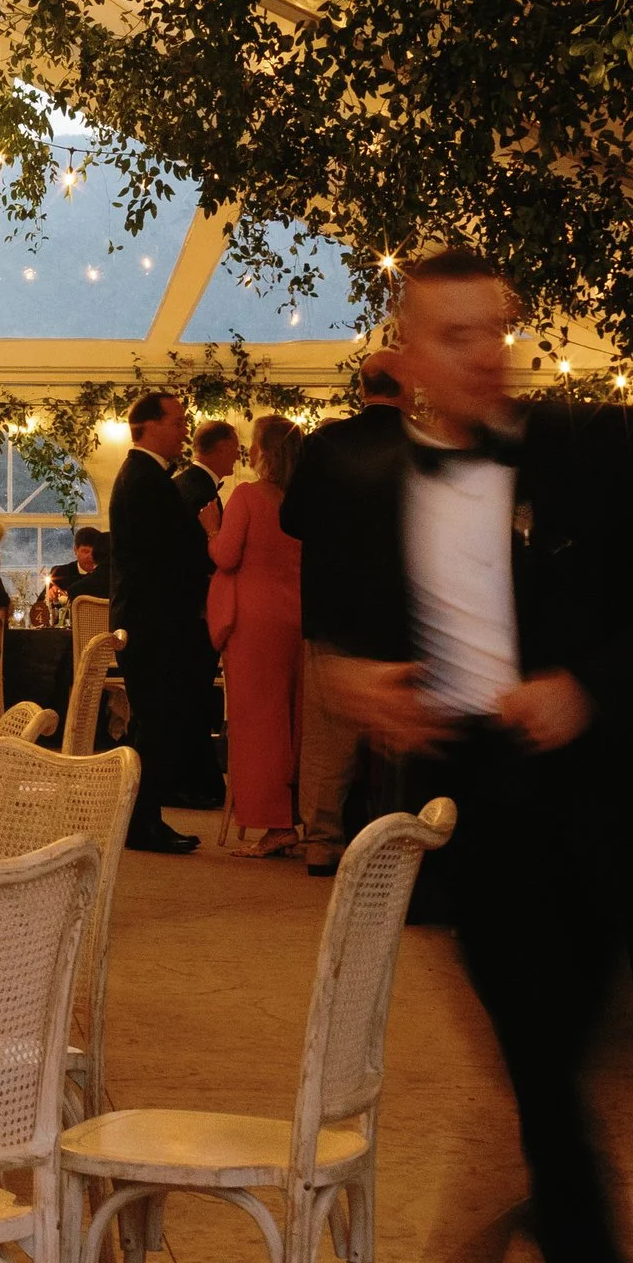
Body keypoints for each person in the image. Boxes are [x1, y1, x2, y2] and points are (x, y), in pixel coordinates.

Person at [301, 249, 633, 1263]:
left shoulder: (592, 453)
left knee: (548, 1079)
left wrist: (590, 686)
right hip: (474, 821)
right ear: (404, 358)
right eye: (455, 336)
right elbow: (334, 647)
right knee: (546, 1083)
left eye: (494, 328)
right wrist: (351, 681)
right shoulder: (361, 481)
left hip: (598, 816)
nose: (485, 354)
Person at [282, 347, 407, 875]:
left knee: (329, 734)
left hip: (333, 605)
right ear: (409, 388)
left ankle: (322, 842)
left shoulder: (326, 443)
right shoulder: (425, 444)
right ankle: (403, 837)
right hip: (404, 609)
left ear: (362, 388)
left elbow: (292, 519)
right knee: (402, 732)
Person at [107, 391, 220, 851]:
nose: (184, 430)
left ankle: (143, 819)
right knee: (154, 724)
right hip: (154, 621)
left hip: (148, 617)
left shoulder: (144, 476)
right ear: (150, 426)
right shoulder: (146, 479)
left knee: (152, 723)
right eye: (177, 421)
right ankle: (143, 823)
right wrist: (209, 541)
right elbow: (170, 556)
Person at [213, 415, 305, 857]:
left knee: (257, 722)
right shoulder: (302, 499)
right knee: (290, 719)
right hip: (295, 615)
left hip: (253, 620)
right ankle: (293, 813)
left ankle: (274, 822)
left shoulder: (247, 497)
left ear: (261, 452)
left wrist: (211, 530)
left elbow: (227, 556)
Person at [179, 419, 245, 535]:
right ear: (222, 448)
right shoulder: (203, 495)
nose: (237, 457)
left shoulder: (181, 481)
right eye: (235, 449)